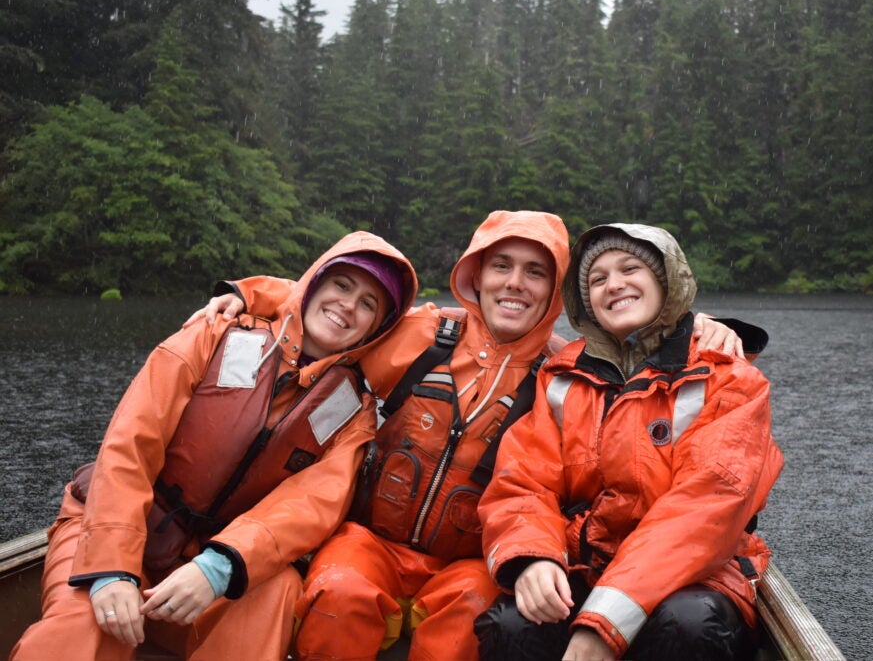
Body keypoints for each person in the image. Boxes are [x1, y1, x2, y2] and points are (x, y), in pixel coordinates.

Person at [194, 211, 761, 661]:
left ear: (555, 293)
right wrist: (251, 295)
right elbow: (333, 308)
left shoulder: (560, 369)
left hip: (473, 563)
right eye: (500, 267)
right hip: (372, 542)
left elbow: (642, 341)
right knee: (340, 594)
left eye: (536, 272)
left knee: (473, 616)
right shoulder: (422, 334)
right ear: (474, 276)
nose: (514, 284)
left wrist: (699, 325)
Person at [11, 231, 417, 661]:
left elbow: (310, 504)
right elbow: (130, 445)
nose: (348, 306)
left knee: (277, 590)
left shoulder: (353, 412)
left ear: (377, 329)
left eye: (369, 304)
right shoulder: (215, 331)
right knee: (81, 628)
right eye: (341, 284)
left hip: (213, 556)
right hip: (108, 524)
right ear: (314, 283)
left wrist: (219, 567)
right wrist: (112, 569)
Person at [474, 223, 784, 661]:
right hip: (589, 564)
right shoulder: (562, 378)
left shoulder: (730, 379)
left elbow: (708, 505)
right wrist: (533, 558)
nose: (613, 284)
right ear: (587, 302)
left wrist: (607, 619)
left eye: (630, 268)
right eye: (597, 279)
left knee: (689, 625)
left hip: (696, 576)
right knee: (513, 622)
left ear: (666, 282)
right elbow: (522, 482)